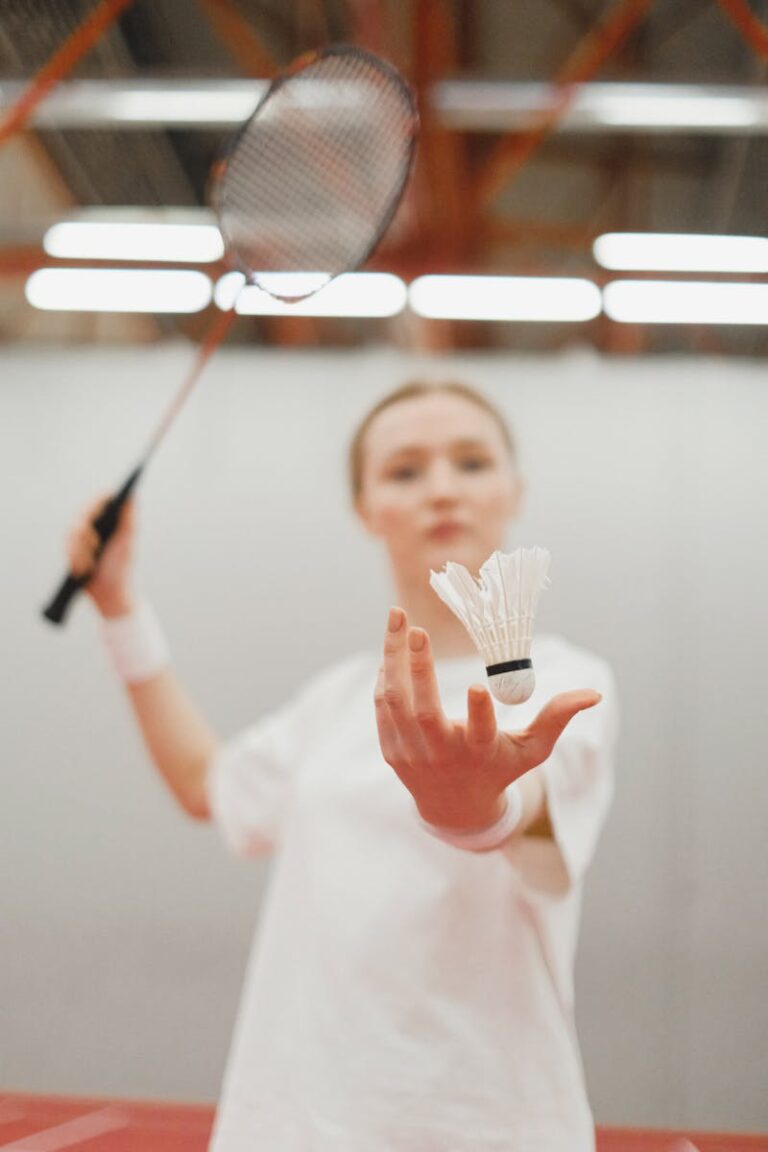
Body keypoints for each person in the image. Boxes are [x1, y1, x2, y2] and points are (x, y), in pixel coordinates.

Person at [66, 380, 618, 1152]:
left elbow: (521, 820)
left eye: (471, 461)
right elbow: (204, 783)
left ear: (514, 491)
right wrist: (120, 607)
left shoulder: (565, 683)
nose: (442, 489)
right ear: (366, 509)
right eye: (404, 471)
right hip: (294, 1127)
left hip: (484, 1126)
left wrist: (466, 806)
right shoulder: (333, 704)